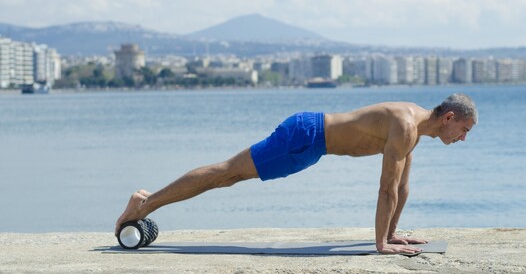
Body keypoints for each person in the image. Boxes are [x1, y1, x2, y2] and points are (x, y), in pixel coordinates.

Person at [115, 93, 477, 255]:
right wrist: (381, 245)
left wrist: (394, 234)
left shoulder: (414, 127)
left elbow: (402, 187)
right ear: (449, 118)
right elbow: (386, 190)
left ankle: (147, 202)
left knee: (228, 175)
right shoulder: (405, 125)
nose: (461, 139)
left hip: (311, 144)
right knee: (227, 173)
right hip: (305, 136)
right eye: (463, 131)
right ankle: (144, 204)